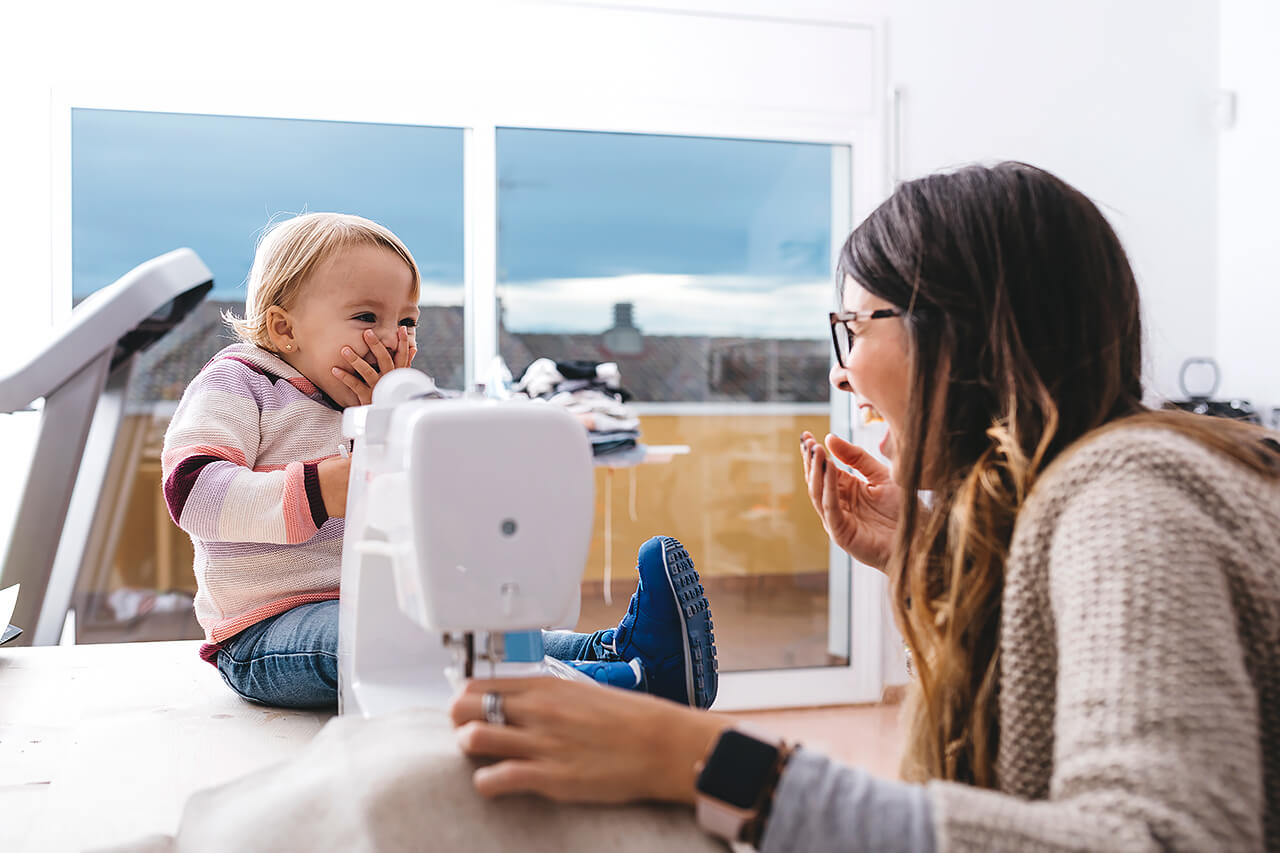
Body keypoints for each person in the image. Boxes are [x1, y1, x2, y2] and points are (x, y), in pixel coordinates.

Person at [449, 163, 1280, 851]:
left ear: (960, 330)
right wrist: (926, 559)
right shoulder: (1091, 493)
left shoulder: (1125, 498)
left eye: (853, 326)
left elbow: (1166, 839)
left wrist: (711, 759)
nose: (841, 374)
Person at [161, 212, 718, 711]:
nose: (391, 339)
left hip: (389, 600)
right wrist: (330, 485)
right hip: (266, 629)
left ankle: (628, 656)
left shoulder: (401, 400)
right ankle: (614, 689)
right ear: (284, 328)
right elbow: (194, 493)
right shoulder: (241, 381)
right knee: (420, 640)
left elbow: (458, 451)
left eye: (406, 323)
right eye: (366, 317)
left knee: (488, 628)